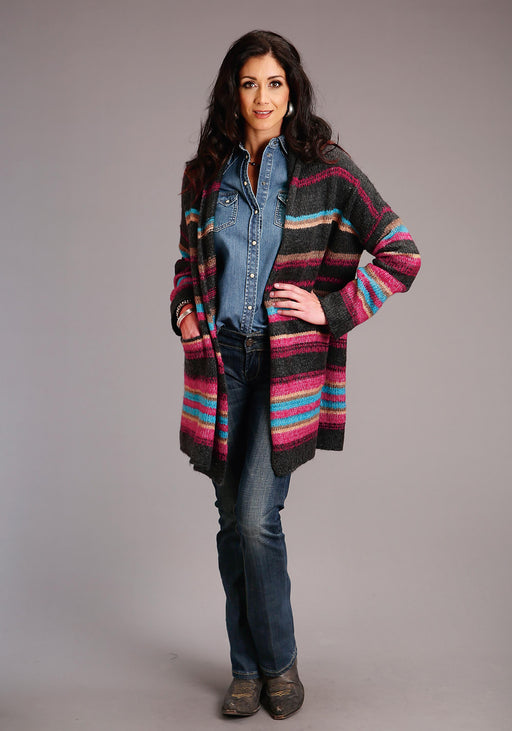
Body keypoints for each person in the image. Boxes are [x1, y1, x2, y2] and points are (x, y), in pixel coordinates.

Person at [170, 30, 421, 720]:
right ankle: (245, 669)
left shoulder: (324, 167)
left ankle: (279, 662)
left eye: (274, 83)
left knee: (257, 519)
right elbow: (188, 264)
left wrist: (331, 309)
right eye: (249, 82)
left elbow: (401, 252)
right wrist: (183, 311)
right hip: (221, 363)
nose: (262, 97)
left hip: (286, 370)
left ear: (292, 91)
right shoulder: (203, 173)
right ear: (232, 91)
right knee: (230, 523)